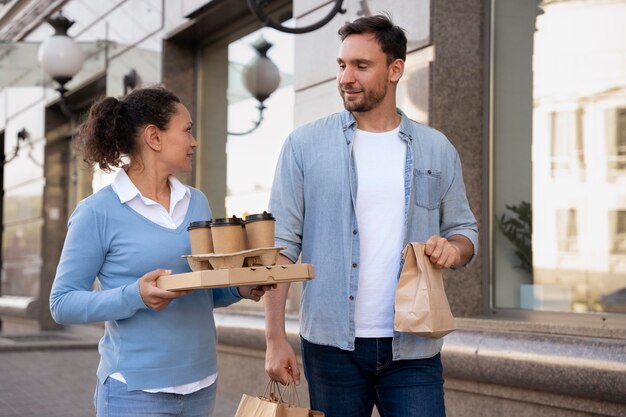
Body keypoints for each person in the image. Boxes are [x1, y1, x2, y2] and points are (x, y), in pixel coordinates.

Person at [264, 14, 478, 417]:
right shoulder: (304, 145)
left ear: (395, 69)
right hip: (331, 347)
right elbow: (281, 247)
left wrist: (454, 248)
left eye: (361, 66)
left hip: (413, 345)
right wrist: (274, 337)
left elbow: (464, 230)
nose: (347, 77)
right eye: (342, 65)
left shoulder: (436, 148)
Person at [50, 86, 272, 417]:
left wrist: (241, 287)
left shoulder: (197, 202)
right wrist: (135, 295)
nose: (194, 141)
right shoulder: (97, 212)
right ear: (154, 137)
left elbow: (204, 288)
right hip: (134, 393)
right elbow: (61, 303)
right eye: (186, 130)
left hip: (201, 385)